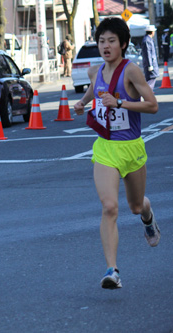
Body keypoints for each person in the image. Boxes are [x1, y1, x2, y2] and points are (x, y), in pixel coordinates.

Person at [73, 18, 160, 290]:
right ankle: (112, 270)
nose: (106, 46)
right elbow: (93, 90)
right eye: (101, 41)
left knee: (135, 206)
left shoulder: (131, 71)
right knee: (110, 206)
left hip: (131, 147)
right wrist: (82, 103)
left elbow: (153, 106)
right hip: (105, 148)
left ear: (123, 44)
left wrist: (121, 101)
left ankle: (147, 215)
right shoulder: (95, 71)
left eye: (111, 41)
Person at [141, 25, 159, 90]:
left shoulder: (148, 39)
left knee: (151, 80)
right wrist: (150, 65)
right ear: (152, 32)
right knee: (151, 80)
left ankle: (148, 94)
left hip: (150, 64)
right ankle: (148, 94)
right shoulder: (147, 40)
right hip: (150, 64)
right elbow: (148, 53)